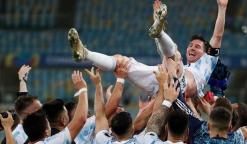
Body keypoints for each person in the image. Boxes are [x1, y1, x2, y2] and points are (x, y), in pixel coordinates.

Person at [67, 0, 228, 98]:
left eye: (197, 47)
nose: (192, 48)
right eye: (191, 45)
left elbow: (218, 36)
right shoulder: (183, 65)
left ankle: (159, 31)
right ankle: (84, 52)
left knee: (174, 56)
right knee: (121, 62)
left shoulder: (208, 61)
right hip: (160, 83)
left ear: (206, 52)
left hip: (181, 86)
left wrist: (222, 7)